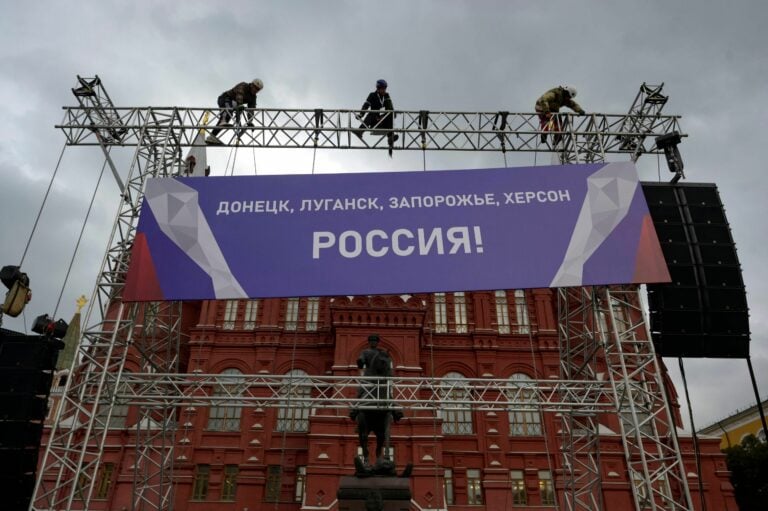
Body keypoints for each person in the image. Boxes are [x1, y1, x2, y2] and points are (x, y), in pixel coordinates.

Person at [206, 78, 264, 144]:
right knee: (228, 113)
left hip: (234, 103)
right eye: (255, 88)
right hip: (225, 99)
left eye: (258, 89)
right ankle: (223, 121)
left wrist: (250, 121)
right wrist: (240, 105)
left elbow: (251, 109)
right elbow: (239, 94)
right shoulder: (244, 86)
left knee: (228, 117)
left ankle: (212, 137)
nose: (256, 90)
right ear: (252, 85)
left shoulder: (253, 97)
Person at [354, 79, 398, 149]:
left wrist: (386, 115)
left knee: (391, 113)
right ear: (378, 88)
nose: (384, 90)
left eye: (385, 88)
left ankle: (390, 137)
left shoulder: (386, 96)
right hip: (374, 121)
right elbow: (366, 105)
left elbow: (390, 107)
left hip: (384, 122)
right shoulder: (372, 95)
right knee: (372, 112)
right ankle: (360, 131)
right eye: (383, 89)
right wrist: (361, 114)